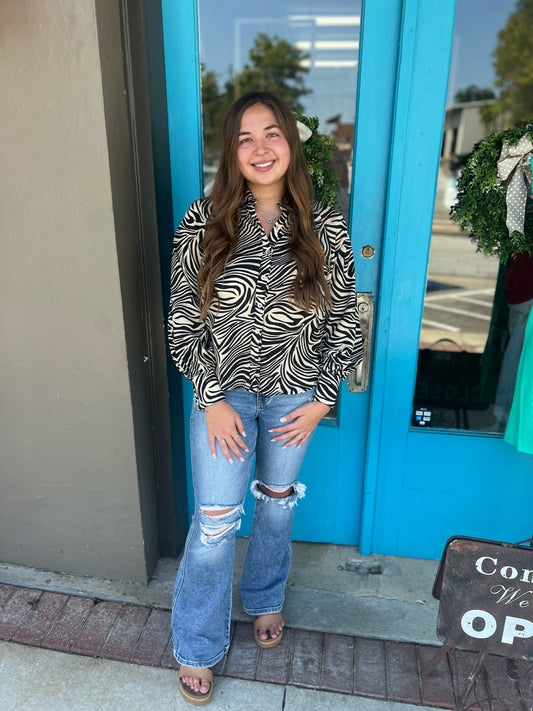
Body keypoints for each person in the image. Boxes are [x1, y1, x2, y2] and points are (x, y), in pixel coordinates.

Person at [168, 90, 363, 705]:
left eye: (272, 133)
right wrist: (213, 397)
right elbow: (181, 321)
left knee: (277, 504)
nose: (260, 148)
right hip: (223, 399)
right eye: (246, 137)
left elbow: (345, 324)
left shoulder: (324, 225)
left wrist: (323, 397)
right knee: (216, 525)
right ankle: (197, 645)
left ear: (292, 144)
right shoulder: (203, 222)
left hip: (294, 397)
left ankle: (265, 599)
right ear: (231, 151)